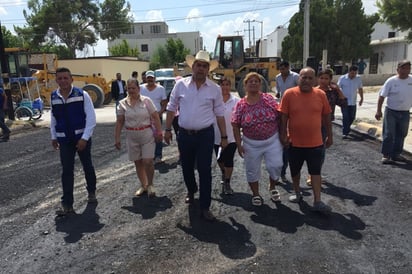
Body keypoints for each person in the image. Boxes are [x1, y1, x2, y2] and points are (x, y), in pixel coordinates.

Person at [164, 50, 228, 222]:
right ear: (193, 67)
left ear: (209, 70)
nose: (200, 68)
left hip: (205, 135)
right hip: (184, 135)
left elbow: (220, 114)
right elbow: (171, 107)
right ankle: (191, 190)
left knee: (205, 169)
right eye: (198, 65)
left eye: (204, 66)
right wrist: (167, 129)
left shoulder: (215, 89)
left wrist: (224, 136)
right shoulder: (181, 85)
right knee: (186, 168)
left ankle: (205, 206)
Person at [279, 67, 333, 213]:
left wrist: (330, 135)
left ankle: (317, 201)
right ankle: (297, 193)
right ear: (299, 78)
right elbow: (283, 116)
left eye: (310, 78)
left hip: (315, 142)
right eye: (304, 77)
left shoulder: (321, 94)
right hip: (294, 142)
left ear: (314, 80)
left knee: (315, 172)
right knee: (295, 171)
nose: (307, 80)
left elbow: (327, 116)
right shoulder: (289, 94)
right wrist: (283, 135)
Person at [50, 67, 98, 216]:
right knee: (67, 171)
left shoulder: (82, 95)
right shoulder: (54, 97)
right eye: (60, 78)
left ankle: (91, 192)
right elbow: (53, 118)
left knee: (87, 166)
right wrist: (53, 136)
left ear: (71, 79)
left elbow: (91, 118)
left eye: (66, 78)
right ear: (56, 80)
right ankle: (67, 203)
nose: (63, 81)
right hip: (64, 139)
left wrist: (84, 138)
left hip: (81, 138)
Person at [232, 72, 283, 207]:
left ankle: (272, 187)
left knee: (276, 166)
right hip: (251, 144)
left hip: (272, 140)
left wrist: (284, 134)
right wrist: (238, 144)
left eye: (256, 81)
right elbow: (235, 124)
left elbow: (280, 116)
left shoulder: (269, 99)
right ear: (245, 85)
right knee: (252, 170)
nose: (253, 83)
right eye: (250, 81)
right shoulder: (240, 104)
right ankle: (255, 194)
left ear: (260, 84)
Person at [114, 78, 162, 196]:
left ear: (138, 88)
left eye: (133, 88)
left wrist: (160, 132)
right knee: (138, 162)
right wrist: (117, 138)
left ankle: (150, 185)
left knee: (148, 161)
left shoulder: (146, 101)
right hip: (131, 135)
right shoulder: (122, 104)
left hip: (146, 134)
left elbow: (155, 117)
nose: (131, 90)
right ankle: (143, 185)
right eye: (129, 88)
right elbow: (120, 121)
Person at [306, 68, 346, 186]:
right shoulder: (313, 91)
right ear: (318, 79)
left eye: (326, 78)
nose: (323, 80)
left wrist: (338, 90)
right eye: (321, 78)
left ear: (330, 80)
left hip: (325, 126)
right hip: (313, 125)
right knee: (311, 152)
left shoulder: (333, 92)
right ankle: (311, 175)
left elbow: (343, 104)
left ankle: (315, 174)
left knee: (321, 152)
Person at [375, 60, 412, 164]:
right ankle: (386, 155)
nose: (405, 70)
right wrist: (378, 111)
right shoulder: (391, 81)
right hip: (391, 111)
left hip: (405, 112)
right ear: (398, 69)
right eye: (403, 68)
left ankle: (396, 154)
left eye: (408, 68)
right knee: (389, 134)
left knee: (402, 134)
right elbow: (382, 96)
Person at [213, 77, 240, 195]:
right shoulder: (214, 101)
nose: (225, 87)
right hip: (216, 136)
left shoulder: (236, 101)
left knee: (229, 159)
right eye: (222, 84)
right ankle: (224, 172)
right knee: (220, 159)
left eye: (227, 84)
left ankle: (227, 182)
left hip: (231, 137)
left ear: (230, 86)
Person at [275, 60, 299, 183]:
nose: (282, 71)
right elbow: (278, 91)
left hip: (295, 109)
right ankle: (281, 171)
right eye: (280, 69)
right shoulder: (278, 78)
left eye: (284, 69)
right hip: (282, 108)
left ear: (288, 68)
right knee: (283, 137)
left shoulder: (295, 77)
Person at [140, 70, 168, 164]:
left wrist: (160, 112)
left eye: (152, 78)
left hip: (156, 116)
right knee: (146, 136)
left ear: (154, 78)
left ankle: (158, 156)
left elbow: (164, 102)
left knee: (158, 135)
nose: (150, 79)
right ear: (146, 79)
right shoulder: (141, 88)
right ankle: (148, 156)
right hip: (144, 116)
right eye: (148, 78)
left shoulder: (160, 89)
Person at [337, 65, 363, 138]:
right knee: (345, 117)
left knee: (352, 117)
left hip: (353, 102)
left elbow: (360, 88)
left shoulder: (358, 78)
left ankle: (346, 128)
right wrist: (340, 96)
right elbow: (338, 88)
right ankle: (345, 132)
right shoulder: (342, 78)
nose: (353, 75)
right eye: (352, 73)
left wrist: (361, 98)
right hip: (344, 101)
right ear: (349, 72)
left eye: (355, 73)